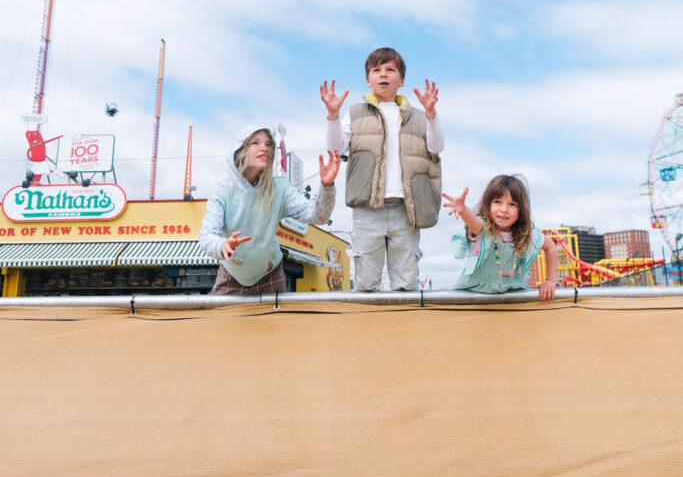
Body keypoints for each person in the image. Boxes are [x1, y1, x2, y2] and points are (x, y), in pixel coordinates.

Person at [321, 47, 444, 291]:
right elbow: (337, 147)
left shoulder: (420, 116)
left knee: (407, 282)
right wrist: (333, 115)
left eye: (390, 69)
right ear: (368, 80)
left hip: (406, 207)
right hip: (367, 208)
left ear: (402, 80)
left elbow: (436, 146)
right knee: (365, 281)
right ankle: (368, 328)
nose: (383, 75)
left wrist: (431, 113)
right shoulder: (355, 112)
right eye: (376, 70)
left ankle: (403, 328)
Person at [199, 125, 340, 295]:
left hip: (271, 273)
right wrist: (222, 245)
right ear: (240, 149)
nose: (264, 148)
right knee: (219, 320)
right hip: (232, 274)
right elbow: (207, 236)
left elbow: (317, 216)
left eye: (268, 144)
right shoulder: (223, 190)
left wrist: (327, 186)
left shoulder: (278, 188)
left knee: (275, 322)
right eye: (255, 142)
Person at [443, 174, 558, 300]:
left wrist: (550, 280)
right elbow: (474, 222)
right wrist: (463, 210)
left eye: (512, 204)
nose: (504, 209)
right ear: (488, 205)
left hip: (510, 292)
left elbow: (551, 246)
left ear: (521, 210)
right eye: (497, 202)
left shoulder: (526, 233)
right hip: (475, 292)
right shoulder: (483, 229)